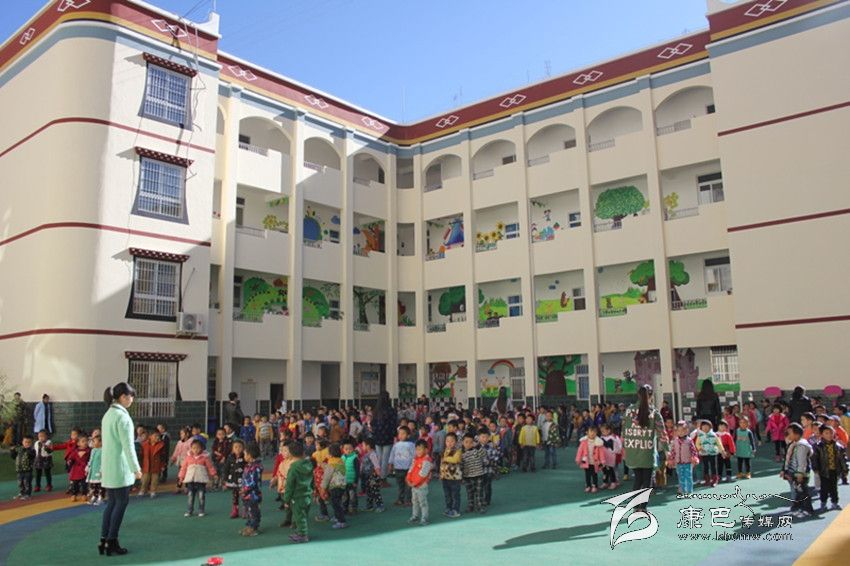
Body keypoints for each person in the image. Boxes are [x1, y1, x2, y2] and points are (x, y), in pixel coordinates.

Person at [100, 382, 142, 556]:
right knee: (121, 503)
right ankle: (112, 541)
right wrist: (136, 468)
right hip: (120, 467)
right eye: (131, 396)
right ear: (123, 397)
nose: (132, 399)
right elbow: (128, 446)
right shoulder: (123, 417)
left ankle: (104, 540)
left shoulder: (108, 414)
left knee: (111, 503)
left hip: (109, 467)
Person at [622, 384, 668, 510]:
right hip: (647, 452)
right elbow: (662, 434)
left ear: (638, 395)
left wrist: (625, 447)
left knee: (638, 479)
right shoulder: (654, 412)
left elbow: (624, 431)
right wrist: (667, 450)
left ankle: (635, 506)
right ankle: (643, 507)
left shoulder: (629, 411)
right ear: (651, 396)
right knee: (647, 480)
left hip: (633, 451)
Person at [811, 424, 847, 511]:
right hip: (823, 471)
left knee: (834, 488)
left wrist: (845, 469)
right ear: (822, 434)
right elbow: (814, 458)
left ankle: (834, 503)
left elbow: (842, 459)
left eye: (831, 433)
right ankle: (823, 503)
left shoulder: (838, 446)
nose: (829, 435)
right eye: (826, 433)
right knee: (824, 488)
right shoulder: (818, 446)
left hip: (834, 470)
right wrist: (816, 468)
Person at [284, 441, 314, 543]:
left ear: (291, 454)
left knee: (299, 516)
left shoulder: (293, 468)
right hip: (307, 495)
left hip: (297, 497)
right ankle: (301, 531)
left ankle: (302, 534)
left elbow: (289, 485)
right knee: (304, 515)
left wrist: (286, 499)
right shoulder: (309, 464)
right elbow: (312, 479)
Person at [781, 423, 814, 517]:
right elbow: (788, 458)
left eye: (790, 433)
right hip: (794, 472)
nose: (788, 435)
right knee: (798, 490)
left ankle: (808, 509)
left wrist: (800, 473)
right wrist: (785, 470)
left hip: (800, 473)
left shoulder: (801, 446)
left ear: (797, 434)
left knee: (802, 491)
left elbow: (801, 461)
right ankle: (797, 507)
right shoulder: (794, 444)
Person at [178, 438, 217, 517]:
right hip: (190, 480)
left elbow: (210, 467)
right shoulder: (188, 458)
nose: (195, 450)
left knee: (201, 496)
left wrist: (214, 474)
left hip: (201, 480)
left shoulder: (205, 457)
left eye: (198, 448)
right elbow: (183, 468)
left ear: (202, 448)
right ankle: (190, 510)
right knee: (190, 495)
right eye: (193, 448)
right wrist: (181, 477)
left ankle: (201, 510)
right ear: (191, 448)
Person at [371, 391, 398, 482]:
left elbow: (372, 424)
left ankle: (378, 476)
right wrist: (394, 435)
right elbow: (394, 423)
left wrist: (374, 433)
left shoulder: (376, 411)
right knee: (385, 458)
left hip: (377, 437)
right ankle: (383, 478)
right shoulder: (391, 410)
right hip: (388, 436)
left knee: (379, 458)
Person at [406, 439, 433, 526]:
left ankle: (424, 518)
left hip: (421, 486)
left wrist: (414, 483)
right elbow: (411, 469)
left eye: (420, 449)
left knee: (423, 502)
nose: (418, 451)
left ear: (426, 450)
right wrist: (408, 479)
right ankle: (415, 516)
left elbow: (423, 474)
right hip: (414, 485)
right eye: (417, 449)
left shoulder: (426, 461)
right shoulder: (416, 459)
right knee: (414, 502)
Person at [321, 443, 348, 529]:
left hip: (335, 486)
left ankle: (341, 521)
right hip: (342, 485)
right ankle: (337, 517)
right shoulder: (340, 461)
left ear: (331, 454)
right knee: (338, 502)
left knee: (336, 504)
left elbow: (327, 477)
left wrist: (323, 488)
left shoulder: (332, 463)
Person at [668, 421, 698, 495]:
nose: (680, 432)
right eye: (678, 431)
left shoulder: (689, 440)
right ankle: (682, 490)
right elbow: (673, 451)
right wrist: (671, 459)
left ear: (687, 431)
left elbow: (693, 450)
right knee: (681, 476)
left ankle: (689, 491)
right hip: (678, 462)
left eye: (683, 430)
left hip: (687, 462)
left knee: (688, 476)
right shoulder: (675, 441)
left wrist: (694, 457)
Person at [388, 426, 415, 507]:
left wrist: (414, 466)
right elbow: (392, 454)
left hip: (408, 468)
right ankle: (400, 499)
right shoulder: (396, 445)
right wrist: (390, 464)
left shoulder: (411, 445)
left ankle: (408, 500)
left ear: (408, 435)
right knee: (400, 485)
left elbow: (414, 455)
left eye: (403, 434)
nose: (401, 435)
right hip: (398, 468)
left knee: (408, 485)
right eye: (399, 433)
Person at [241, 442, 264, 536]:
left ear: (250, 455)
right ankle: (249, 525)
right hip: (247, 494)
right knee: (248, 510)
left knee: (253, 511)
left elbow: (253, 482)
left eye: (245, 454)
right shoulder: (248, 466)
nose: (244, 456)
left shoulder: (256, 467)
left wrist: (245, 489)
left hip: (253, 494)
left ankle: (254, 528)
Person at [461, 432, 486, 514]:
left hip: (478, 475)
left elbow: (484, 454)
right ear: (462, 442)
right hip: (467, 476)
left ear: (474, 443)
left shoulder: (476, 451)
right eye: (466, 442)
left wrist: (478, 446)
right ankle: (470, 506)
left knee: (479, 492)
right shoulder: (461, 454)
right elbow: (461, 465)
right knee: (469, 492)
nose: (468, 444)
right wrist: (461, 476)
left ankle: (480, 506)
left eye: (471, 442)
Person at [440, 432, 463, 517]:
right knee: (447, 495)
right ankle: (448, 508)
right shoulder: (444, 451)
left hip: (455, 478)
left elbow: (455, 460)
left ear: (456, 442)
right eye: (447, 441)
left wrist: (445, 458)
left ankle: (455, 510)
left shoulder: (458, 451)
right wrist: (441, 475)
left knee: (455, 495)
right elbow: (442, 464)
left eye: (452, 441)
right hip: (445, 478)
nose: (449, 443)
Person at [696, 419, 725, 487]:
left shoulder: (714, 435)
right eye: (703, 426)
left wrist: (722, 451)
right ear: (701, 428)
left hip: (713, 453)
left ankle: (714, 480)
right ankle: (707, 480)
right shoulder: (700, 436)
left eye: (707, 426)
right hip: (704, 453)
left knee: (713, 466)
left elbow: (719, 444)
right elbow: (697, 444)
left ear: (710, 427)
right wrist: (700, 448)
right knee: (705, 467)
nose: (705, 428)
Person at [576, 426, 604, 493]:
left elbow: (601, 453)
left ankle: (595, 486)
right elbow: (580, 451)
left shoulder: (598, 442)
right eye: (591, 432)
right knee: (587, 474)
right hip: (586, 462)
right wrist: (578, 459)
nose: (592, 433)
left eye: (594, 432)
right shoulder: (584, 442)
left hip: (595, 462)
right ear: (587, 432)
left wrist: (602, 461)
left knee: (594, 474)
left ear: (596, 433)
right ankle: (588, 485)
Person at [359, 438, 384, 513]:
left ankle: (380, 505)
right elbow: (363, 464)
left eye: (363, 445)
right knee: (369, 491)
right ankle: (369, 506)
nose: (362, 447)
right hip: (367, 475)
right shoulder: (366, 454)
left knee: (375, 491)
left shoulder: (372, 454)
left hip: (373, 476)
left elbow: (376, 465)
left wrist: (378, 475)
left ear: (368, 446)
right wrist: (361, 471)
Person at [223, 439, 246, 519]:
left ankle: (245, 509)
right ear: (232, 449)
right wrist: (225, 480)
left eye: (240, 447)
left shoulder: (245, 457)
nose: (238, 449)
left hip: (243, 480)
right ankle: (235, 510)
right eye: (235, 447)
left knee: (244, 495)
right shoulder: (230, 458)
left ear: (243, 448)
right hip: (233, 480)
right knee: (235, 496)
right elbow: (226, 469)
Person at [11, 434, 36, 500]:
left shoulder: (32, 450)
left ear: (32, 443)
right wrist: (12, 451)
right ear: (22, 442)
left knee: (27, 483)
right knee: (20, 483)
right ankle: (22, 493)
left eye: (29, 442)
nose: (27, 444)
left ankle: (27, 494)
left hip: (28, 470)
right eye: (25, 442)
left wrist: (28, 449)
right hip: (19, 470)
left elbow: (31, 455)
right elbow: (14, 457)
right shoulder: (19, 449)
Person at [67, 434, 91, 501]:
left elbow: (90, 459)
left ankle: (84, 494)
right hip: (76, 470)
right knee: (75, 484)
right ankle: (74, 494)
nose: (85, 442)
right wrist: (70, 461)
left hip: (84, 470)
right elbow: (71, 458)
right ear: (78, 443)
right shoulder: (75, 451)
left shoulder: (89, 451)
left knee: (84, 483)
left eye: (86, 441)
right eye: (83, 441)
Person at [87, 434, 104, 505]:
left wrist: (102, 470)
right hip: (93, 471)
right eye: (93, 441)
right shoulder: (93, 450)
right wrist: (88, 467)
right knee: (94, 484)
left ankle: (101, 497)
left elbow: (103, 461)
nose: (93, 443)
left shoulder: (102, 450)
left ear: (101, 442)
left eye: (94, 441)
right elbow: (91, 460)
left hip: (99, 471)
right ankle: (95, 496)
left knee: (100, 484)